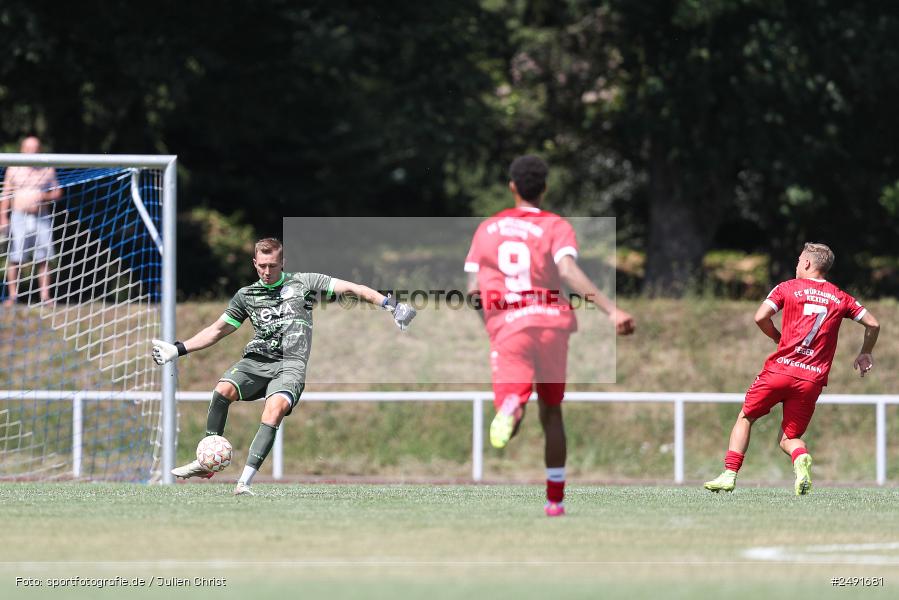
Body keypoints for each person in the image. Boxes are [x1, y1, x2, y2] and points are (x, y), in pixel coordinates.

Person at [151, 237, 416, 496]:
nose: (267, 271)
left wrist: (390, 305)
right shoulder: (246, 296)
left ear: (283, 263)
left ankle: (243, 483)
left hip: (290, 365)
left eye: (273, 266)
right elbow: (217, 331)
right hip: (255, 361)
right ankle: (208, 459)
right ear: (254, 263)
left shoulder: (304, 282)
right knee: (222, 391)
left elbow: (353, 288)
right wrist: (178, 348)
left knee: (274, 410)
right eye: (262, 266)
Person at [464, 155, 635, 517]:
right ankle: (555, 501)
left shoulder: (487, 229)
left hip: (510, 325)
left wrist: (493, 326)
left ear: (512, 186)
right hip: (552, 323)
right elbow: (567, 270)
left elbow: (472, 290)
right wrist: (611, 309)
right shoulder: (555, 226)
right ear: (544, 188)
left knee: (512, 409)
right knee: (553, 411)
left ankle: (512, 404)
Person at [705, 243, 880, 495]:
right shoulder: (841, 297)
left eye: (799, 260)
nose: (797, 264)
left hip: (780, 370)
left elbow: (760, 317)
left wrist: (777, 337)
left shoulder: (787, 288)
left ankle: (729, 474)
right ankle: (801, 457)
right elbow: (873, 324)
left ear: (807, 263)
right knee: (788, 438)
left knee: (746, 417)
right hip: (811, 379)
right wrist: (865, 352)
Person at [1, 136, 61, 306]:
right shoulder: (14, 168)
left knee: (44, 257)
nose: (31, 151)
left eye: (35, 148)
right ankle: (13, 296)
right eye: (28, 148)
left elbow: (57, 192)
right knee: (16, 257)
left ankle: (45, 296)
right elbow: (6, 194)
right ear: (22, 149)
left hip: (41, 217)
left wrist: (44, 196)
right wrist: (3, 217)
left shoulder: (46, 168)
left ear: (39, 149)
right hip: (19, 217)